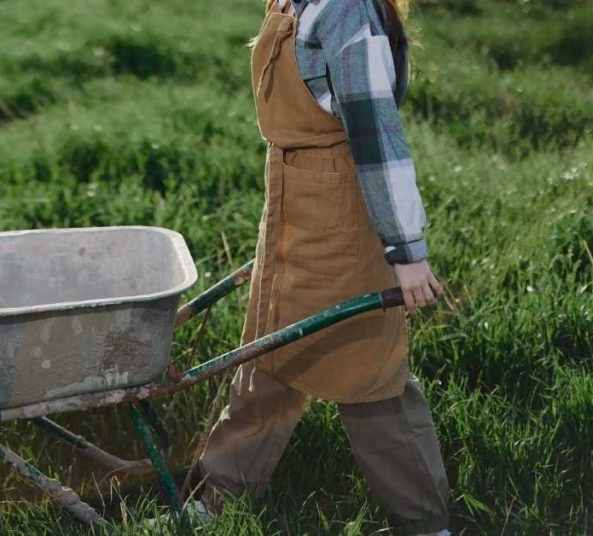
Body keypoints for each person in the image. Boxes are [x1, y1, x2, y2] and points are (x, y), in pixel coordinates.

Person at [194, 0, 451, 534]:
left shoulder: (345, 13)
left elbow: (378, 135)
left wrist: (406, 252)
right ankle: (218, 496)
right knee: (267, 351)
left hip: (343, 211)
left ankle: (426, 523)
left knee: (367, 376)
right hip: (293, 199)